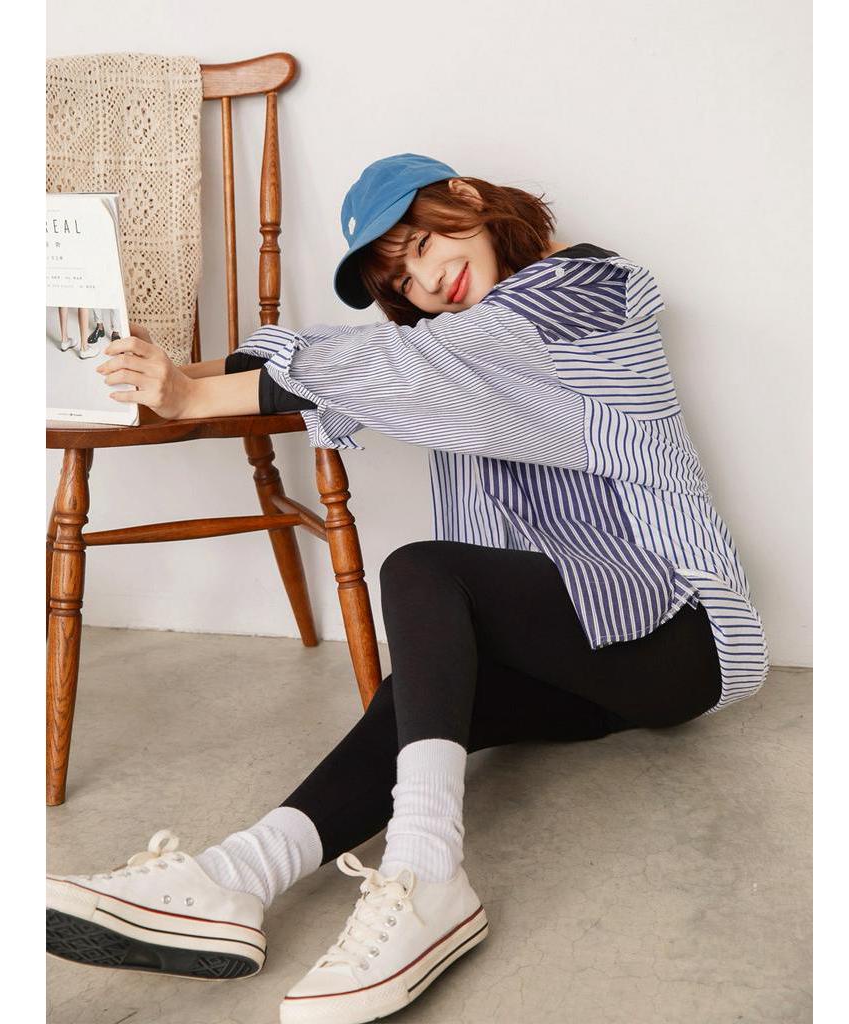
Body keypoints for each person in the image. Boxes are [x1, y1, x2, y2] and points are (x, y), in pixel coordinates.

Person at [46, 153, 769, 1024]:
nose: (428, 283)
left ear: (467, 197)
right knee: (424, 695)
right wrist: (171, 379)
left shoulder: (590, 291)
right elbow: (371, 356)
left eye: (422, 244)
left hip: (680, 634)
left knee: (424, 571)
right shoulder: (457, 343)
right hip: (580, 653)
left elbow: (404, 362)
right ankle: (238, 876)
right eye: (403, 282)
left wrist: (196, 395)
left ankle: (429, 874)